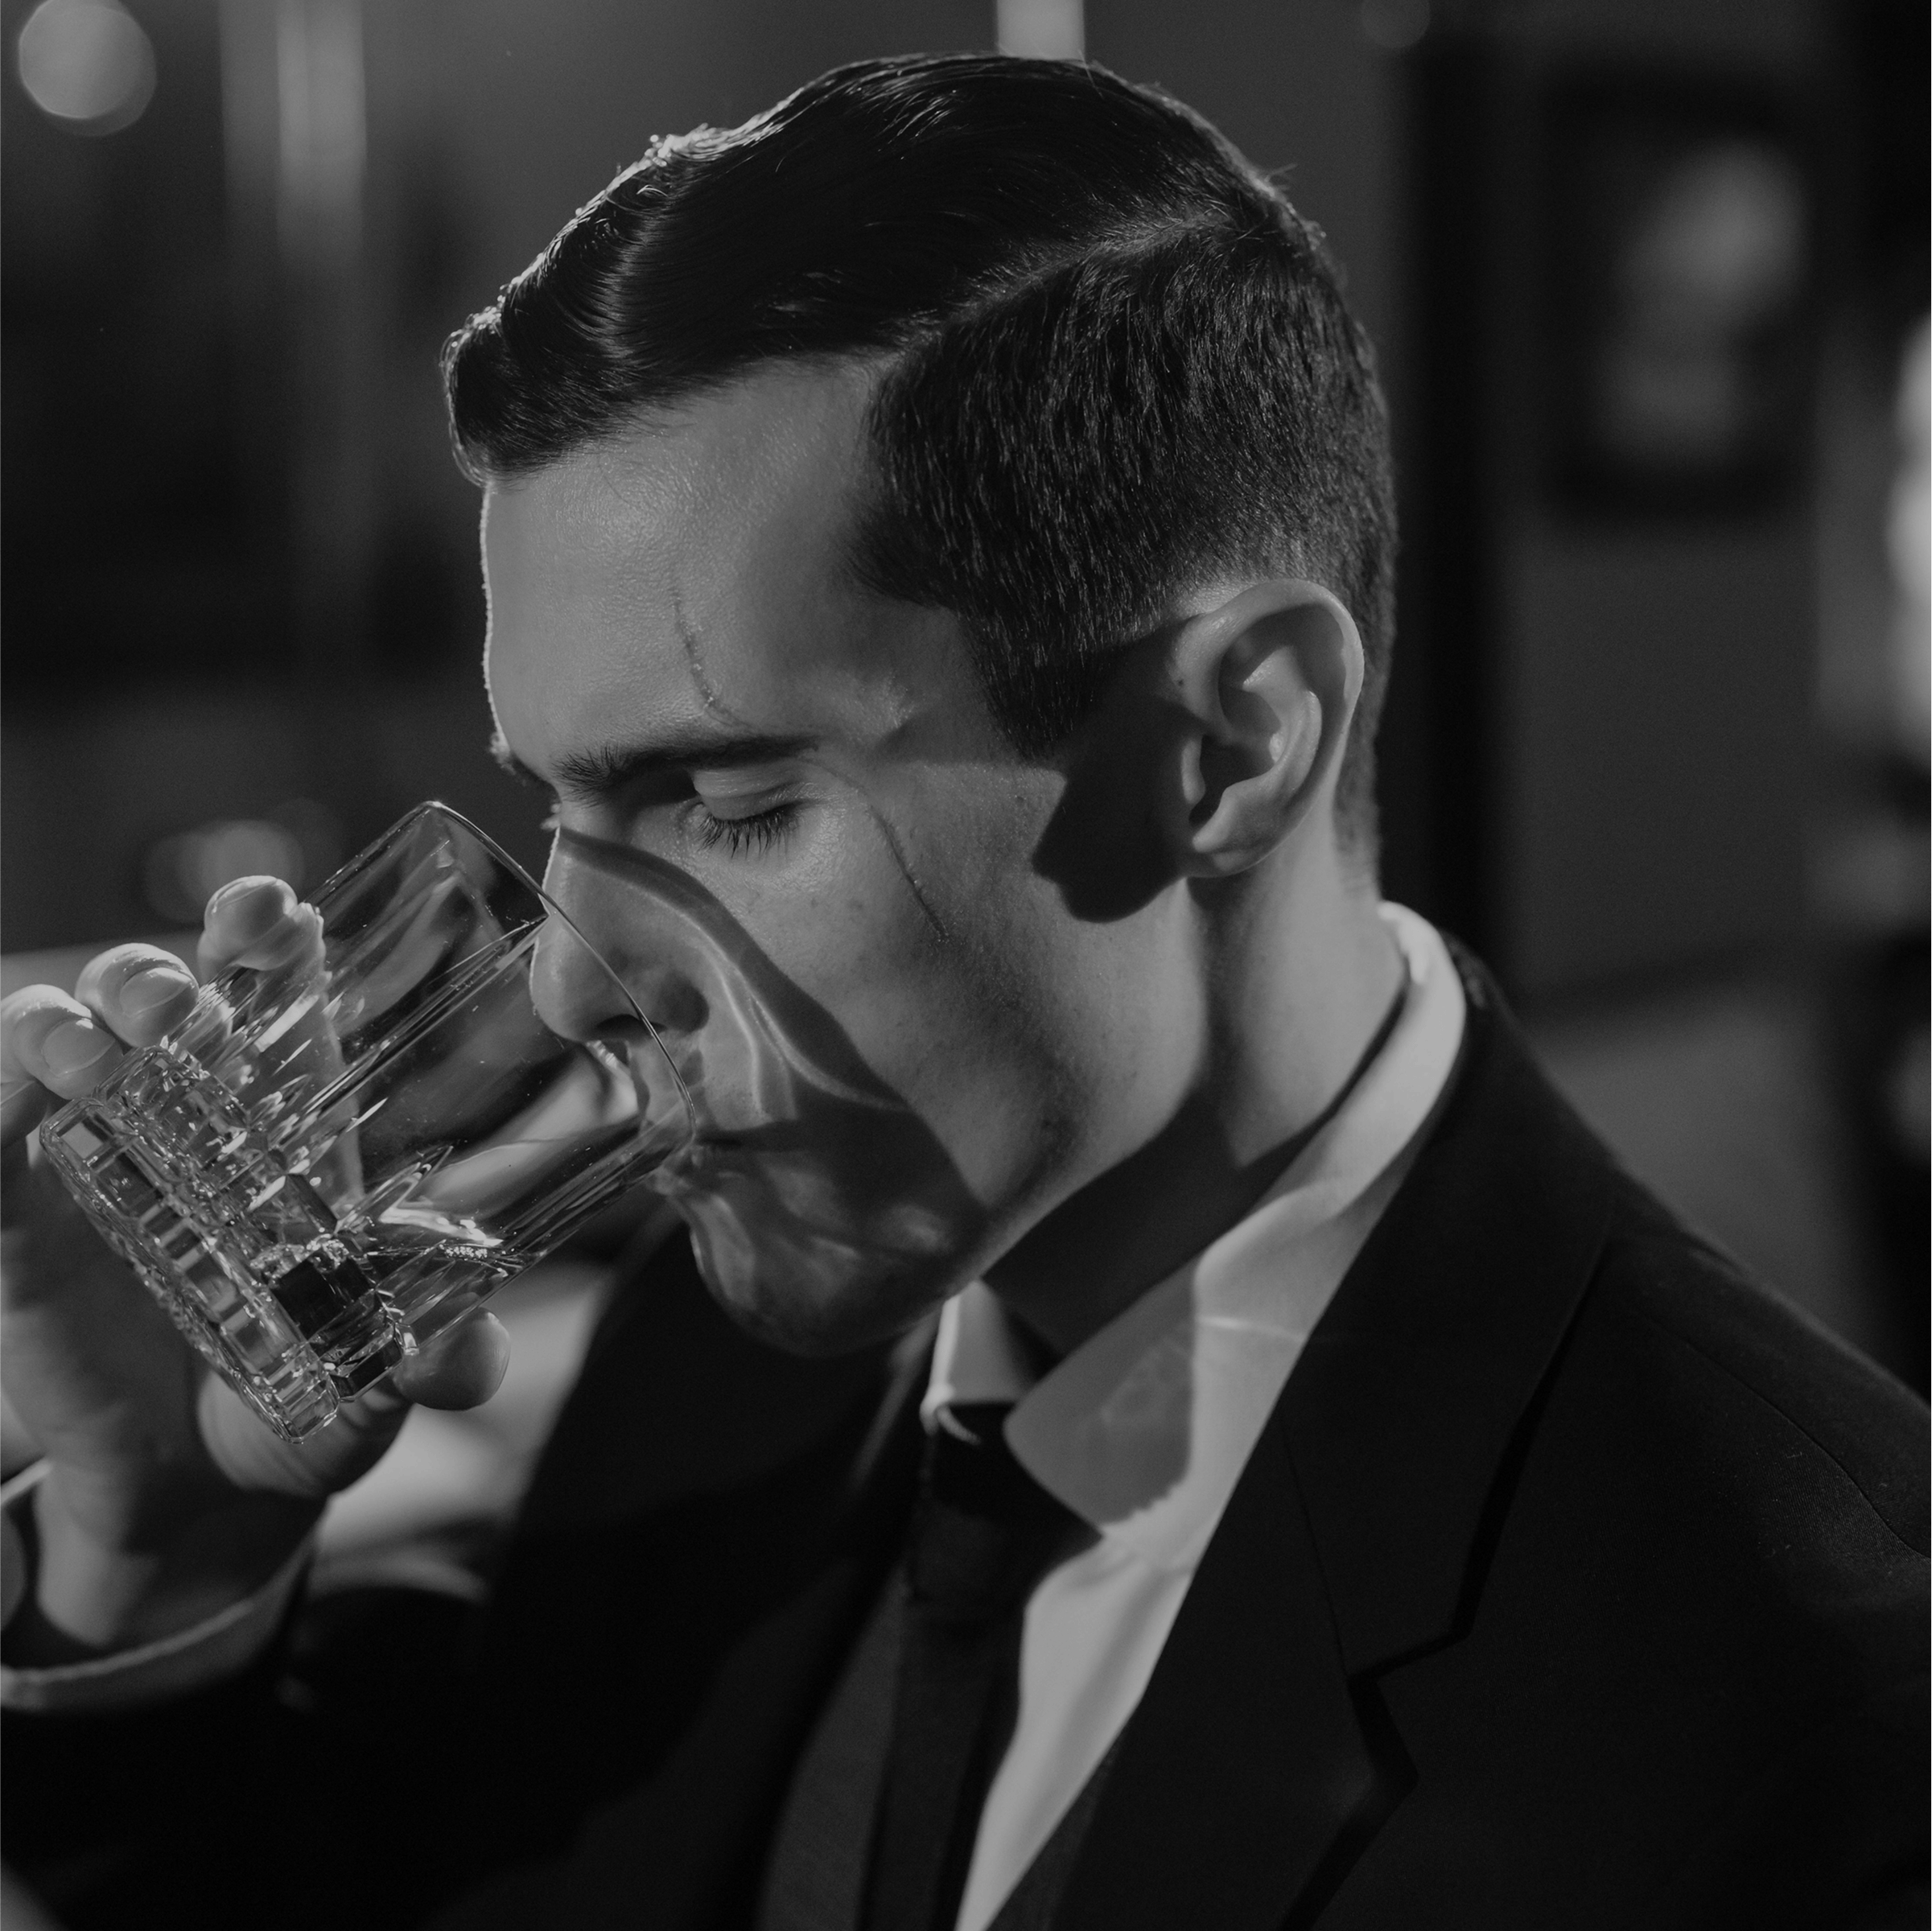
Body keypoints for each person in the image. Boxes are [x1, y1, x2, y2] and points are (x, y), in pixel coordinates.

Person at [0, 53, 1926, 1931]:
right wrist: (165, 1570)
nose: (574, 977)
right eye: (557, 804)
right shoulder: (724, 1362)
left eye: (730, 800)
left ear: (1233, 744)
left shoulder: (1823, 1725)